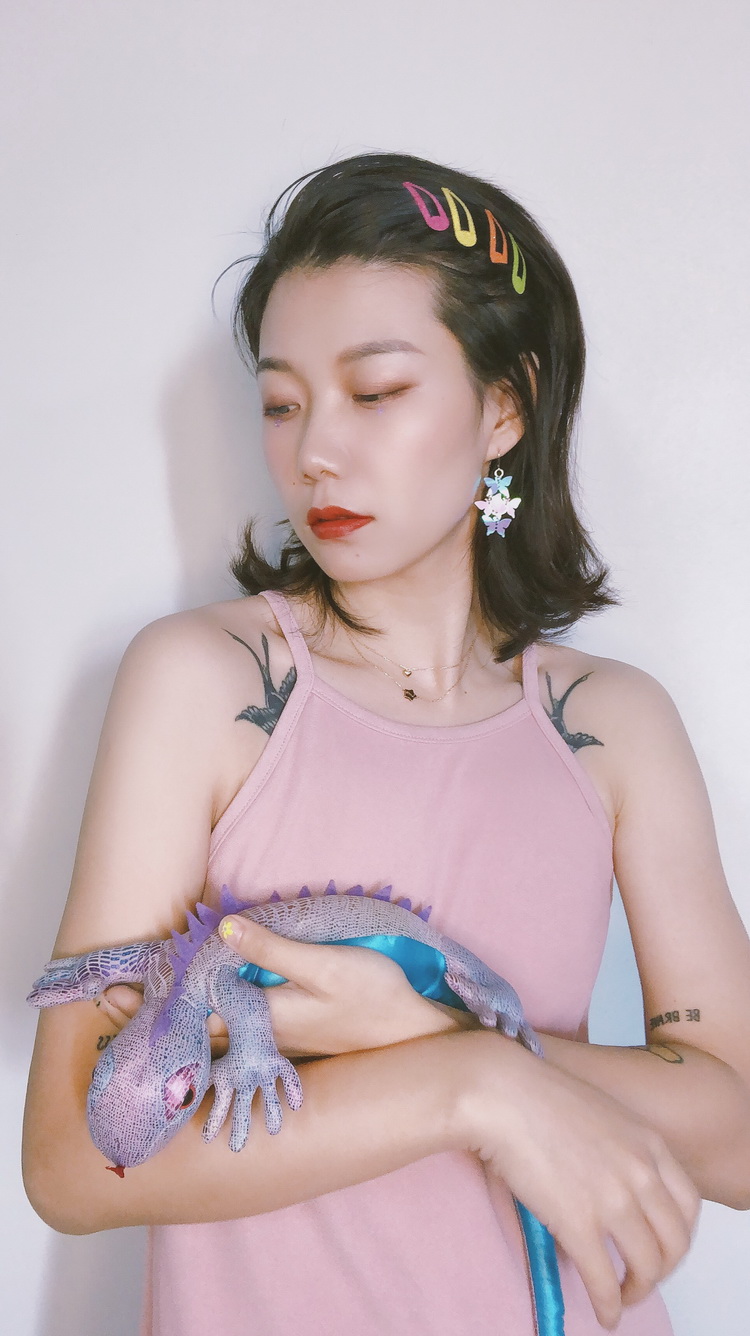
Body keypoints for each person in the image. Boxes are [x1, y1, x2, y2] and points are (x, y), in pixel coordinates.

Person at [22, 151, 750, 1336]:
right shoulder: (202, 683)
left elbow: (736, 1132)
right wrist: (469, 1082)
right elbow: (72, 1159)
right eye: (281, 402)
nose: (315, 450)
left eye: (374, 390)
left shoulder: (614, 725)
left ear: (504, 405)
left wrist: (419, 1026)